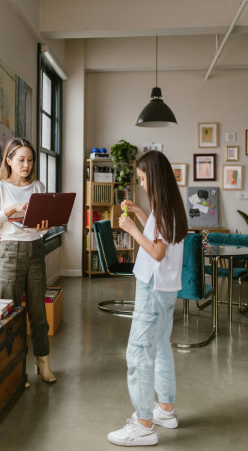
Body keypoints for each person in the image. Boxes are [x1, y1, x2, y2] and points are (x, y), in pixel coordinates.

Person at [107, 150, 188, 447]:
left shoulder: (164, 209)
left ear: (153, 177)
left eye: (142, 178)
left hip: (153, 289)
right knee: (160, 347)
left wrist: (129, 228)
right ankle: (165, 409)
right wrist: (141, 214)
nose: (140, 184)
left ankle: (143, 425)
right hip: (167, 288)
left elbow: (156, 251)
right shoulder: (169, 205)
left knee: (139, 354)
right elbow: (160, 235)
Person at [0, 137, 56, 383]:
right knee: (11, 313)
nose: (27, 165)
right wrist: (10, 209)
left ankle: (42, 362)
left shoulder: (38, 186)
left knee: (38, 312)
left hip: (35, 250)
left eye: (30, 160)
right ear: (9, 160)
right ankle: (14, 367)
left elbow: (44, 228)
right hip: (10, 251)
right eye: (21, 160)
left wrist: (45, 225)